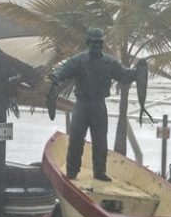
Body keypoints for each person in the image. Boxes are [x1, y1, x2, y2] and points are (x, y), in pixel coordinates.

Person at [47, 28, 140, 182]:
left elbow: (123, 75)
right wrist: (56, 77)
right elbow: (64, 70)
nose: (97, 46)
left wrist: (137, 73)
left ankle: (99, 172)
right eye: (94, 42)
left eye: (100, 43)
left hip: (99, 105)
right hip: (82, 105)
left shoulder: (110, 62)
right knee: (76, 139)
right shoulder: (78, 60)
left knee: (100, 142)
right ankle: (71, 171)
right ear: (88, 43)